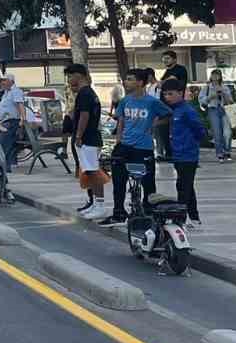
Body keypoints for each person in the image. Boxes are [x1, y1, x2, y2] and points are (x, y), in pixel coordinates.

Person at [101, 68, 171, 227]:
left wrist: (154, 125)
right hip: (124, 146)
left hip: (143, 148)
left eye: (130, 79)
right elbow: (121, 122)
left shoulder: (152, 102)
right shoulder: (125, 101)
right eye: (126, 79)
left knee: (148, 182)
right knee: (119, 180)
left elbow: (168, 115)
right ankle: (118, 213)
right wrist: (118, 141)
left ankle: (149, 212)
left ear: (140, 82)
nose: (126, 82)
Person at [66, 64, 110, 220]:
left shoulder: (85, 93)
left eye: (71, 76)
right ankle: (94, 203)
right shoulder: (87, 93)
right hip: (90, 138)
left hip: (88, 139)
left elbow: (84, 116)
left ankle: (100, 205)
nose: (69, 80)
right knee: (89, 171)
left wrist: (78, 135)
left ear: (79, 75)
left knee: (93, 171)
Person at [160, 78, 204, 228]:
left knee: (183, 187)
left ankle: (181, 218)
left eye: (170, 94)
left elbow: (199, 130)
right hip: (178, 154)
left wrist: (191, 145)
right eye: (165, 94)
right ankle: (194, 216)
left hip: (188, 155)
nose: (167, 97)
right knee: (187, 186)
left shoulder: (187, 110)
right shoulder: (175, 110)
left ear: (181, 93)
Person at [0, 76, 27, 192]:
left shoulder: (16, 91)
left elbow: (20, 106)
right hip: (4, 121)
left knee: (3, 143)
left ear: (11, 81)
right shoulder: (6, 92)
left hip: (11, 122)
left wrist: (23, 120)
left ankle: (5, 167)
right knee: (0, 143)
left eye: (4, 80)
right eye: (2, 81)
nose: (2, 83)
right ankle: (5, 166)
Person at [198, 70, 235, 162]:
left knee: (227, 132)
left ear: (220, 77)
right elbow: (201, 101)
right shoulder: (206, 88)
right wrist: (210, 97)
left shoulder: (224, 87)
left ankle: (227, 151)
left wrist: (223, 93)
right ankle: (220, 153)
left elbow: (230, 101)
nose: (215, 77)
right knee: (217, 133)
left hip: (224, 110)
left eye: (217, 75)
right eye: (213, 75)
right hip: (213, 110)